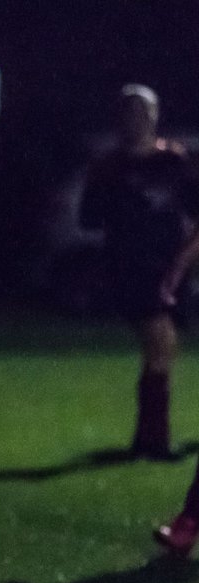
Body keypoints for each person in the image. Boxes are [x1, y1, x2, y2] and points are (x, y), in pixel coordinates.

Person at [79, 84, 199, 461]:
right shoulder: (110, 167)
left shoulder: (173, 163)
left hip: (172, 270)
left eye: (143, 112)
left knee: (163, 351)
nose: (137, 120)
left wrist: (183, 261)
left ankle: (147, 439)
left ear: (155, 116)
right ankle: (156, 442)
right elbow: (89, 219)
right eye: (129, 112)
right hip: (130, 268)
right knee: (159, 342)